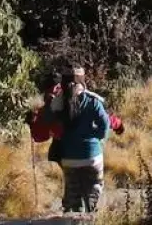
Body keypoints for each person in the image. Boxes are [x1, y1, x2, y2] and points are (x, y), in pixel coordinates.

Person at [43, 68, 112, 213]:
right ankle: (92, 200)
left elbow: (47, 121)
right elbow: (105, 124)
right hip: (91, 154)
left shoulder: (58, 102)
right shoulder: (92, 101)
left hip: (69, 157)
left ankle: (74, 209)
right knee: (96, 183)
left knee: (73, 191)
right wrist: (97, 137)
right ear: (83, 80)